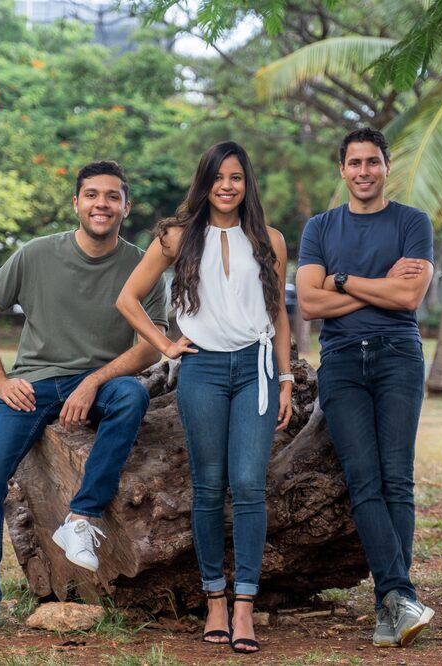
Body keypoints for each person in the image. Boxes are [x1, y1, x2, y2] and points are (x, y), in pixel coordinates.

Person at [0, 161, 168, 637]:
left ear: (126, 207)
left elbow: (151, 345)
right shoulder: (36, 254)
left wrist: (94, 381)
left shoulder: (141, 265)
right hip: (32, 385)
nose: (101, 204)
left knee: (131, 395)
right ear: (76, 203)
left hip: (102, 383)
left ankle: (81, 516)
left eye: (112, 197)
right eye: (92, 195)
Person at [116, 141, 292, 655]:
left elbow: (279, 314)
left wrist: (285, 379)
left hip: (256, 369)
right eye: (218, 176)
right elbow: (127, 299)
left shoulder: (270, 240)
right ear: (205, 181)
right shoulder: (176, 237)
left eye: (236, 177)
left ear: (246, 183)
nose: (227, 185)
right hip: (202, 369)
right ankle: (214, 596)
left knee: (248, 484)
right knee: (210, 485)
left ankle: (244, 606)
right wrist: (167, 345)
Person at [296, 127, 435, 648]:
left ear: (386, 167)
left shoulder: (411, 222)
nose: (363, 171)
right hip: (340, 363)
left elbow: (409, 298)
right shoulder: (320, 226)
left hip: (398, 355)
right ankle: (399, 597)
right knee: (364, 479)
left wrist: (340, 280)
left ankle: (390, 605)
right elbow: (308, 304)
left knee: (396, 479)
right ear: (342, 170)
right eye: (354, 163)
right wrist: (375, 285)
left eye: (372, 162)